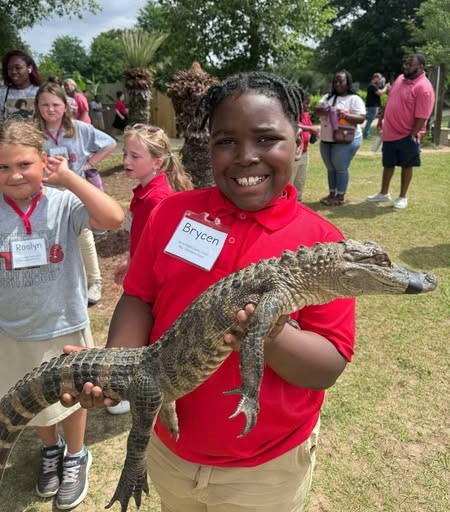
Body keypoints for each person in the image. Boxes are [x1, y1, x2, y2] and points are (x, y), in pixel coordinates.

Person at [62, 71, 356, 511]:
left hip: (266, 469)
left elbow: (327, 367)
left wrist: (268, 329)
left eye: (267, 138)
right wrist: (117, 367)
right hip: (170, 452)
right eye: (226, 141)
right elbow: (140, 296)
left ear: (299, 143)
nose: (245, 156)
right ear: (207, 146)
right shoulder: (171, 214)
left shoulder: (324, 247)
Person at [0, 120, 124, 509]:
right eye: (3, 167)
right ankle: (50, 449)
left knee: (72, 398)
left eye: (24, 164)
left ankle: (75, 454)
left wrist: (70, 178)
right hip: (13, 329)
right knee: (32, 400)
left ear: (43, 161)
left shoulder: (63, 202)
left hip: (63, 325)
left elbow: (113, 218)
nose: (15, 175)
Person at [107, 122, 193, 415]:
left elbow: (159, 251)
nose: (126, 161)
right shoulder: (145, 192)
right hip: (144, 275)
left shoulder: (157, 199)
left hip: (154, 285)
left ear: (157, 162)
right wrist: (130, 262)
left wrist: (137, 272)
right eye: (125, 154)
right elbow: (142, 241)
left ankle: (130, 388)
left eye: (135, 156)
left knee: (143, 331)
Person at [35, 80, 118, 304]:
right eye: (44, 105)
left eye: (55, 104)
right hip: (46, 195)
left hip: (75, 193)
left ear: (65, 106)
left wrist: (89, 163)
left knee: (84, 236)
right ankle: (60, 283)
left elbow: (110, 143)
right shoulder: (34, 134)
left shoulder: (79, 129)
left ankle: (95, 281)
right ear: (37, 107)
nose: (50, 110)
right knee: (52, 238)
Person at [366, 54, 435, 209]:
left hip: (407, 135)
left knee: (406, 165)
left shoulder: (424, 87)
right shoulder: (400, 79)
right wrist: (381, 118)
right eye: (406, 63)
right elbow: (391, 100)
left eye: (410, 64)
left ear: (421, 67)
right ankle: (384, 193)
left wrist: (412, 135)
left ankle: (402, 197)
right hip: (390, 132)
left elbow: (422, 116)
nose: (406, 67)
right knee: (388, 164)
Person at [315, 70, 366, 206]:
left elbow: (361, 119)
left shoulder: (354, 99)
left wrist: (344, 115)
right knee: (331, 168)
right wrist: (325, 110)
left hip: (346, 139)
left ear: (348, 83)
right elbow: (317, 110)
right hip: (327, 139)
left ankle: (340, 196)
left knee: (340, 167)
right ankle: (332, 193)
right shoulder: (327, 97)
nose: (337, 84)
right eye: (335, 81)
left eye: (341, 81)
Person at [291, 91, 320, 201]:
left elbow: (310, 129)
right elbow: (292, 125)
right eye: (306, 103)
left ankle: (298, 202)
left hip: (304, 153)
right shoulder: (292, 114)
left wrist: (314, 135)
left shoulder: (306, 115)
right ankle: (286, 206)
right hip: (293, 154)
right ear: (298, 102)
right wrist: (310, 129)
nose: (308, 106)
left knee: (300, 181)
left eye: (309, 103)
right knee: (290, 182)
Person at [0, 49, 42, 120]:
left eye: (18, 68)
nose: (13, 72)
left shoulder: (41, 92)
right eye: (10, 69)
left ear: (29, 69)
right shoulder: (2, 93)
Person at [363, 73, 389, 139]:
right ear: (375, 78)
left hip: (372, 105)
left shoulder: (374, 85)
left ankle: (367, 133)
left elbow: (382, 90)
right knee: (370, 120)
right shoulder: (372, 85)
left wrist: (384, 86)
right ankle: (366, 134)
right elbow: (380, 93)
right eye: (379, 79)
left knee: (370, 119)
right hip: (372, 105)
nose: (380, 80)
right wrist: (386, 87)